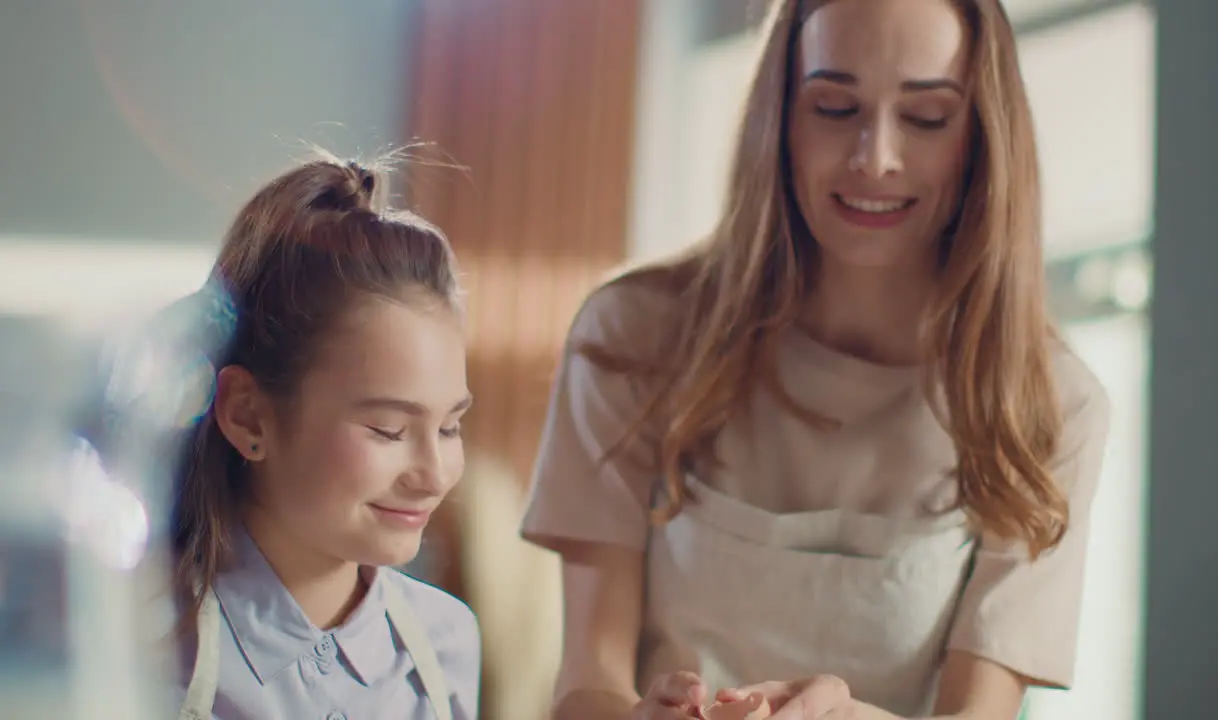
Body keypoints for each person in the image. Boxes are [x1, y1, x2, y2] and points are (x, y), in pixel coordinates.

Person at [519, 0, 1111, 718]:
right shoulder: (631, 337)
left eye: (926, 118)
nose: (874, 157)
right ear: (780, 118)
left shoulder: (1048, 407)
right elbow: (587, 682)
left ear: (983, 136)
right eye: (834, 107)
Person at [164, 153, 480, 720]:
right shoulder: (149, 642)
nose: (434, 474)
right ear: (248, 416)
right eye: (389, 430)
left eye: (450, 426)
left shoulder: (447, 642)